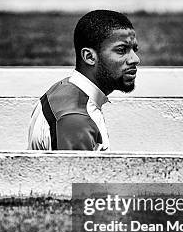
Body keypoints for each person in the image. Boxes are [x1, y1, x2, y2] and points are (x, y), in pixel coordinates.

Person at [27, 10, 140, 151]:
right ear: (89, 57)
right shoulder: (75, 119)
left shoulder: (64, 88)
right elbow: (76, 173)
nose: (135, 59)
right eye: (122, 50)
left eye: (134, 49)